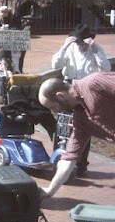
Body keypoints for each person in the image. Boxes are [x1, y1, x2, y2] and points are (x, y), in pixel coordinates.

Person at [37, 73, 115, 199]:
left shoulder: (94, 82)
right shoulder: (81, 119)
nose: (55, 112)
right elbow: (69, 158)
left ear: (60, 96)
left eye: (53, 107)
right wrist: (49, 191)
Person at [51, 23, 111, 175]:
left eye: (82, 42)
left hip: (87, 91)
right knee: (63, 123)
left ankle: (81, 163)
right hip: (69, 88)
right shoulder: (70, 48)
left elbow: (106, 69)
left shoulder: (95, 50)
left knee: (85, 125)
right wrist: (64, 47)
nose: (80, 45)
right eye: (78, 41)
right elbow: (55, 64)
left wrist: (95, 50)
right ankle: (58, 158)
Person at [0, 5, 24, 73]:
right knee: (4, 55)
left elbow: (17, 28)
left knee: (16, 59)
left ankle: (17, 72)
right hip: (5, 40)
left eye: (3, 14)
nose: (1, 15)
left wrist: (8, 29)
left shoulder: (14, 18)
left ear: (6, 13)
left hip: (15, 41)